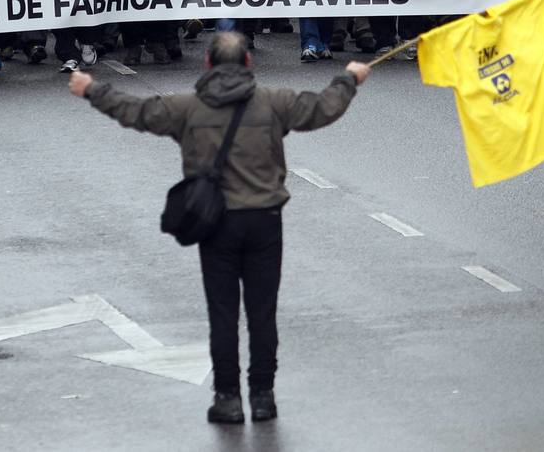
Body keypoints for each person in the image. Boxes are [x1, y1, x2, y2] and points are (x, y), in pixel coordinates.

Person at [69, 31, 369, 424]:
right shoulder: (275, 103)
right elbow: (322, 109)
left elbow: (135, 111)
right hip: (265, 222)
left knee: (223, 314)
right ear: (248, 63)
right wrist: (348, 78)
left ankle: (227, 398)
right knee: (262, 314)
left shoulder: (187, 107)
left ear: (208, 64)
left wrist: (93, 89)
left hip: (216, 226)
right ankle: (263, 396)